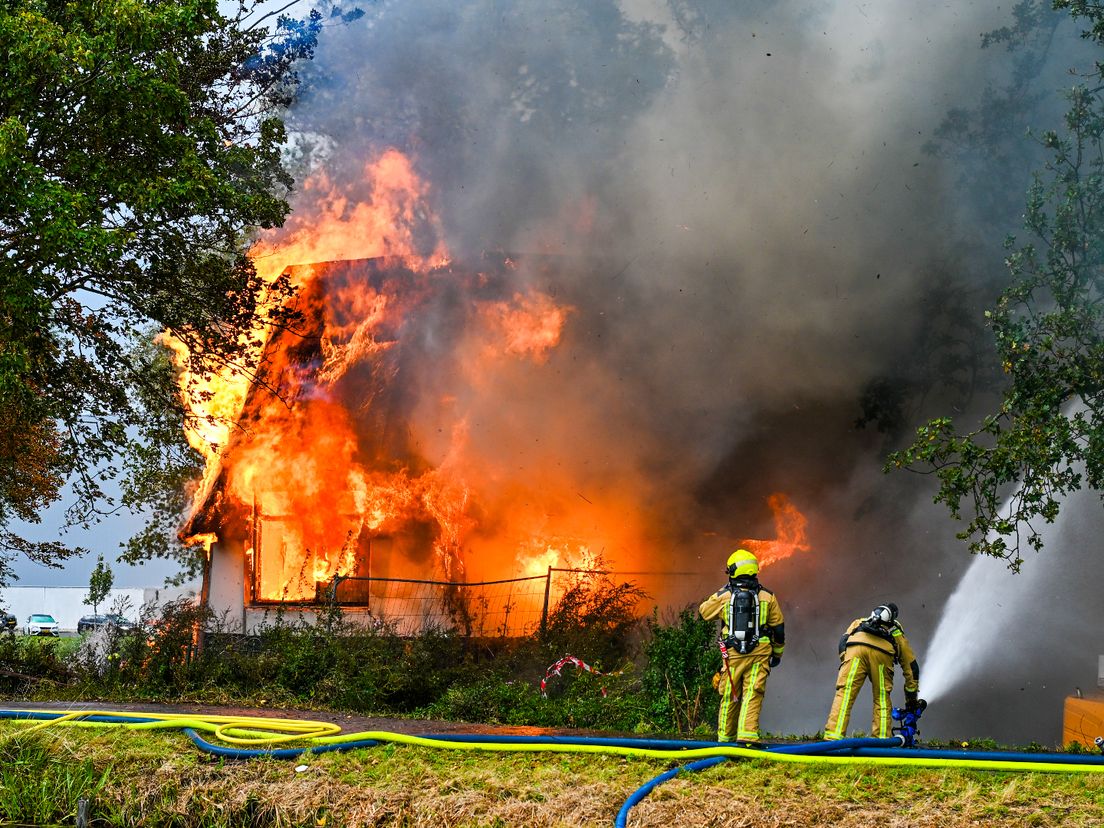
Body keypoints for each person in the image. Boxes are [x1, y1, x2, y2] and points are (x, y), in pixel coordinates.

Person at [698, 549, 785, 744]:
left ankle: (725, 740)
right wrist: (777, 653)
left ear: (732, 571)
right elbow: (778, 628)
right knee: (753, 693)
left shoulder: (725, 596)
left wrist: (722, 593)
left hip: (732, 654)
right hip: (760, 653)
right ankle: (747, 736)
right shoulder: (767, 596)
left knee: (729, 694)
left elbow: (704, 612)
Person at [823, 602, 920, 740]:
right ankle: (881, 741)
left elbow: (843, 642)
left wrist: (846, 662)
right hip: (882, 656)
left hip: (855, 651)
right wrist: (911, 698)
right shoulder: (896, 631)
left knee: (845, 694)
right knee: (881, 698)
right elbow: (911, 667)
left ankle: (832, 737)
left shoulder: (860, 622)